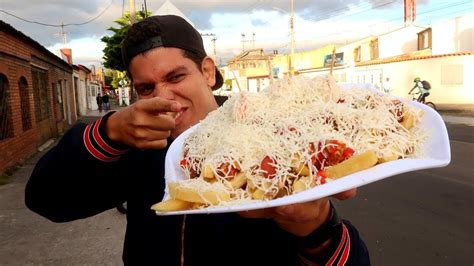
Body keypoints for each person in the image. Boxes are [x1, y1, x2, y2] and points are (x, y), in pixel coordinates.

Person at [25, 15, 369, 265]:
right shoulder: (140, 150)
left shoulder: (272, 138)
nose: (164, 97)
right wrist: (108, 132)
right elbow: (47, 200)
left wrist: (317, 228)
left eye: (176, 76)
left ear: (207, 71)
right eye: (146, 88)